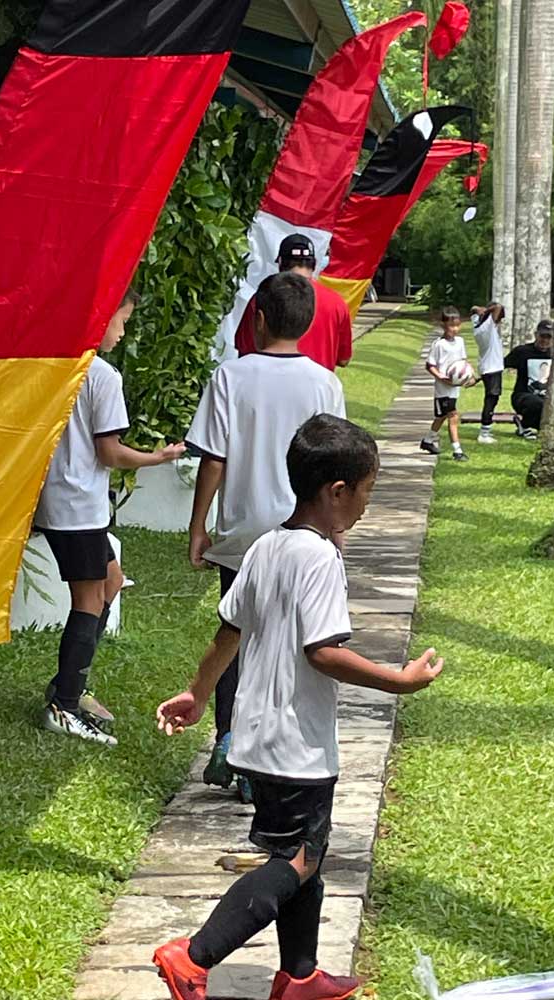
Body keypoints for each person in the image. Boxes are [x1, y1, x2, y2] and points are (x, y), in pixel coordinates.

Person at [153, 414, 443, 1000]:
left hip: (258, 736)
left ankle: (300, 976)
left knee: (310, 849)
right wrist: (399, 680)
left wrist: (198, 693)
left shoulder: (266, 546)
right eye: (367, 492)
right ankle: (193, 954)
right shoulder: (319, 559)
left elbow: (227, 632)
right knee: (299, 860)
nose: (366, 505)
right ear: (337, 491)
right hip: (296, 744)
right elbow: (324, 653)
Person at [187, 271, 346, 801]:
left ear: (255, 319)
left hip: (243, 533)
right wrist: (336, 531)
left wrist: (199, 527)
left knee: (237, 634)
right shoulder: (324, 382)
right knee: (295, 641)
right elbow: (334, 461)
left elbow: (214, 458)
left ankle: (230, 738)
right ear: (308, 324)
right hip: (304, 529)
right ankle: (274, 751)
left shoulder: (231, 376)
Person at [34, 289, 185, 745]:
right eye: (122, 321)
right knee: (89, 600)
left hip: (67, 503)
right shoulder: (102, 376)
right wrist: (159, 457)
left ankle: (70, 687)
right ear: (102, 320)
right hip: (77, 506)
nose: (122, 332)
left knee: (112, 582)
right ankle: (63, 707)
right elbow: (110, 452)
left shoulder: (56, 366)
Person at [234, 234, 352, 371]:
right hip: (318, 387)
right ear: (313, 264)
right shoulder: (336, 303)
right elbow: (343, 359)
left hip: (267, 386)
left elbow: (245, 349)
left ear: (281, 262)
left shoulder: (263, 297)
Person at [420, 306, 471, 462]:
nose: (455, 329)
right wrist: (441, 377)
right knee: (453, 416)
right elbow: (430, 365)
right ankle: (457, 450)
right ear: (443, 325)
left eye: (457, 325)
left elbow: (463, 362)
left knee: (441, 416)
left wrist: (468, 376)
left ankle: (427, 441)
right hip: (443, 389)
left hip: (454, 388)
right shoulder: (439, 344)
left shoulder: (460, 342)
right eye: (451, 326)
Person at [504, 318, 554, 440]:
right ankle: (525, 424)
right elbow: (499, 366)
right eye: (543, 336)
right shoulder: (523, 351)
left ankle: (528, 425)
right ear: (536, 335)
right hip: (523, 396)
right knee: (537, 403)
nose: (545, 340)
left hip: (548, 396)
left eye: (549, 337)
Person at [470, 302, 506, 445]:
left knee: (491, 399)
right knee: (491, 400)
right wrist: (487, 311)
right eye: (499, 318)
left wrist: (480, 310)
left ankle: (486, 431)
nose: (500, 321)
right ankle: (484, 433)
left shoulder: (478, 325)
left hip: (488, 368)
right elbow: (497, 306)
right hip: (492, 368)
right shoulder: (487, 327)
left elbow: (473, 309)